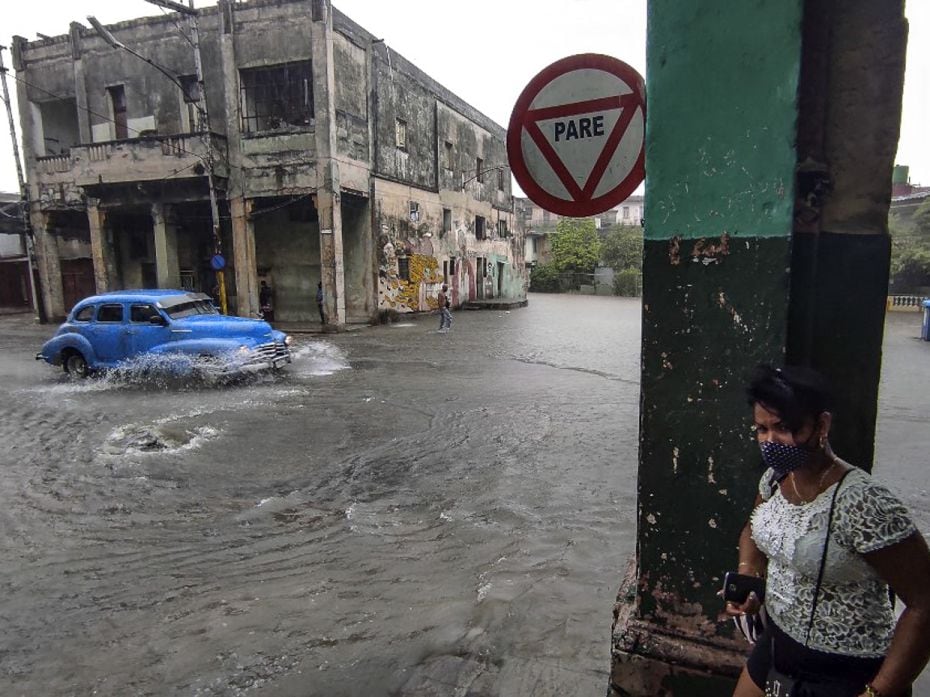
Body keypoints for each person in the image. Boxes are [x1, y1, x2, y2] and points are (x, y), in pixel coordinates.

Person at [726, 365, 930, 697]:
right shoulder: (776, 478)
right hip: (777, 647)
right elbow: (752, 528)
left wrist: (878, 692)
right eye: (761, 429)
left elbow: (924, 601)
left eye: (783, 427)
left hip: (846, 672)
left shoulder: (864, 502)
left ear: (821, 425)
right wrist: (748, 575)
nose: (770, 441)